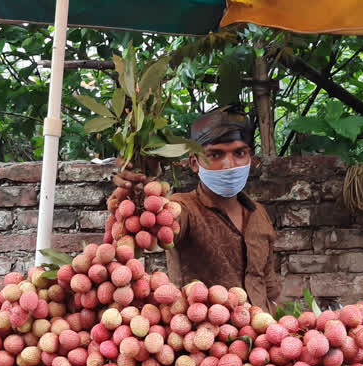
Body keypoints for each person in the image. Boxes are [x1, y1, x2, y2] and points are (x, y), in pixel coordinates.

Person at [112, 105, 281, 313]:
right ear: (194, 162)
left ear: (250, 157)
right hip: (201, 337)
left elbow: (269, 286)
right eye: (216, 155)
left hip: (263, 338)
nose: (229, 164)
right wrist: (138, 188)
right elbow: (157, 227)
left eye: (239, 153)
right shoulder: (184, 208)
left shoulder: (259, 214)